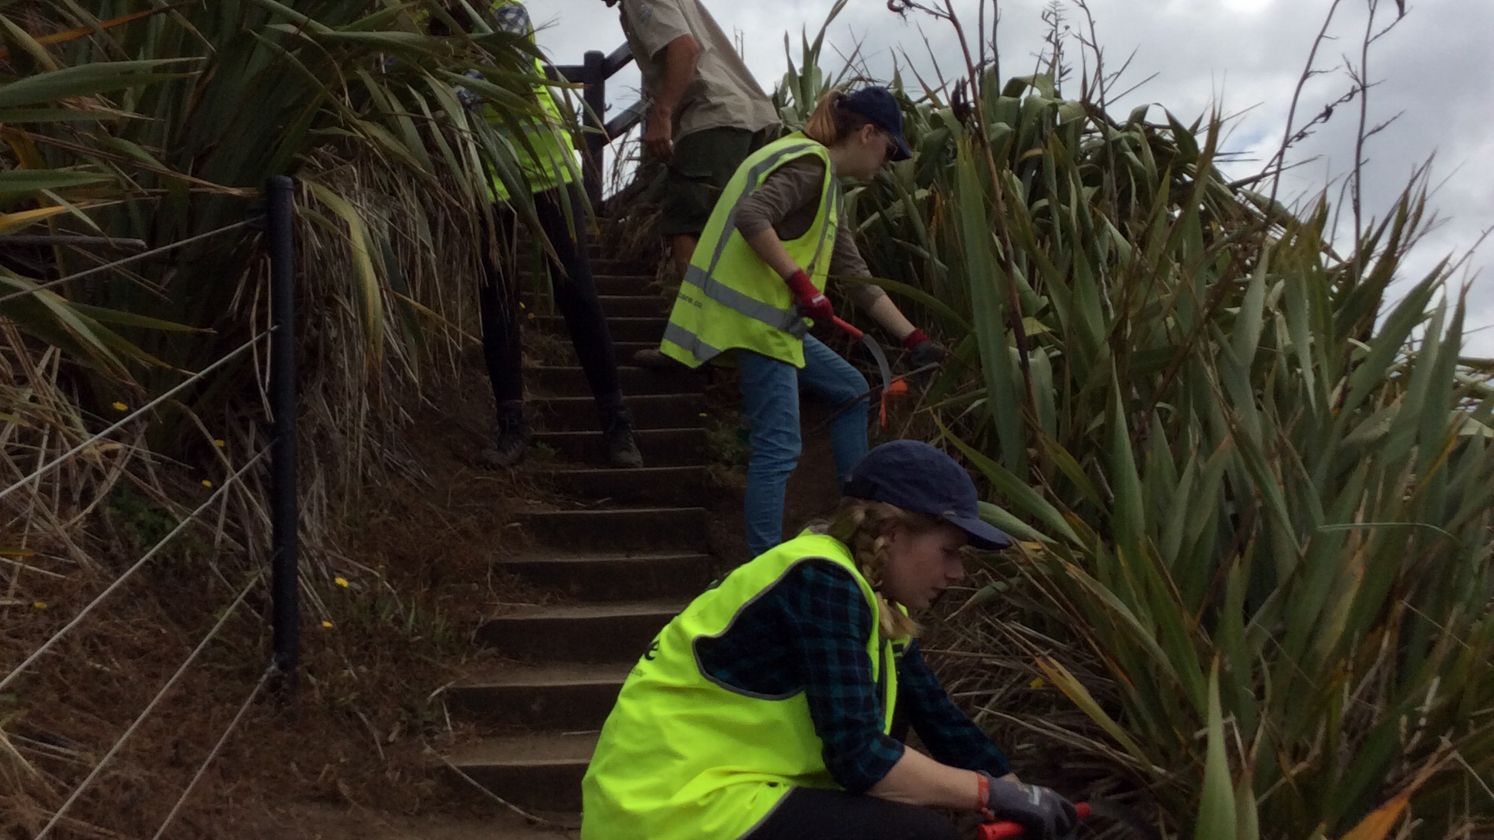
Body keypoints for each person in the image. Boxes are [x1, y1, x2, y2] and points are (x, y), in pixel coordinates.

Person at [581, 440, 1080, 840]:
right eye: (949, 550)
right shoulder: (822, 579)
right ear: (892, 531)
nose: (960, 572)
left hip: (713, 796)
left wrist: (1021, 794)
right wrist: (988, 794)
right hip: (673, 808)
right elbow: (860, 759)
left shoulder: (876, 599)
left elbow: (938, 716)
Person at [657, 85, 947, 558]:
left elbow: (856, 278)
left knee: (851, 389)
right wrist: (802, 285)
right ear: (867, 133)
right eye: (889, 150)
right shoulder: (809, 164)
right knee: (780, 448)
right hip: (755, 324)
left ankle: (856, 517)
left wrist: (914, 339)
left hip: (773, 323)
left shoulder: (826, 186)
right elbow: (752, 217)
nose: (887, 162)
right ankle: (761, 569)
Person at [452, 0, 644, 468]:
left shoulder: (505, 10)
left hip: (544, 173)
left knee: (576, 292)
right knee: (495, 299)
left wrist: (431, 88)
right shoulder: (426, 24)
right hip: (483, 179)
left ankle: (617, 423)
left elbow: (498, 76)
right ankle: (511, 427)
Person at [603, 0, 781, 277]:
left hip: (710, 116)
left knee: (687, 228)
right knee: (730, 231)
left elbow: (684, 47)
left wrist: (662, 114)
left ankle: (694, 314)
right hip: (745, 119)